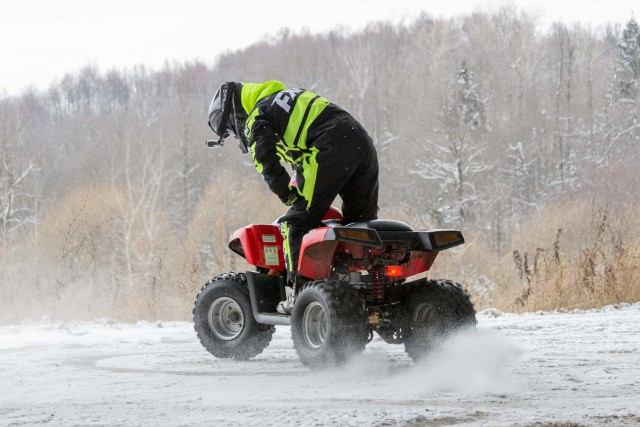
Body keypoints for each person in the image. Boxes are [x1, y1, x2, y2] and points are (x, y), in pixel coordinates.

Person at [207, 80, 379, 287]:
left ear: (235, 113)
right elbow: (305, 145)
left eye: (232, 131)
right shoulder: (284, 99)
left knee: (296, 224)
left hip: (329, 145)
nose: (236, 135)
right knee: (359, 224)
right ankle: (371, 285)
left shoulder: (256, 116)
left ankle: (300, 293)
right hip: (361, 142)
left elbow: (266, 162)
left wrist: (286, 194)